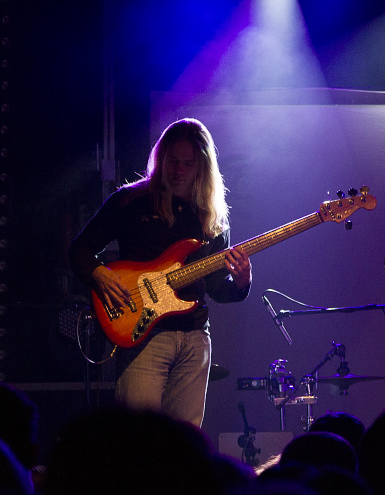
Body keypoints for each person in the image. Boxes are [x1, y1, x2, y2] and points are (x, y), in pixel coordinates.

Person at [69, 118, 251, 426]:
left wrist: (242, 281)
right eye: (173, 162)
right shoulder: (130, 201)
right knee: (139, 440)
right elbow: (79, 250)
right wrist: (99, 273)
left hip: (195, 338)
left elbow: (217, 287)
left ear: (202, 168)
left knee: (185, 444)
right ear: (161, 159)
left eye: (188, 164)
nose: (179, 171)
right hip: (143, 337)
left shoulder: (212, 216)